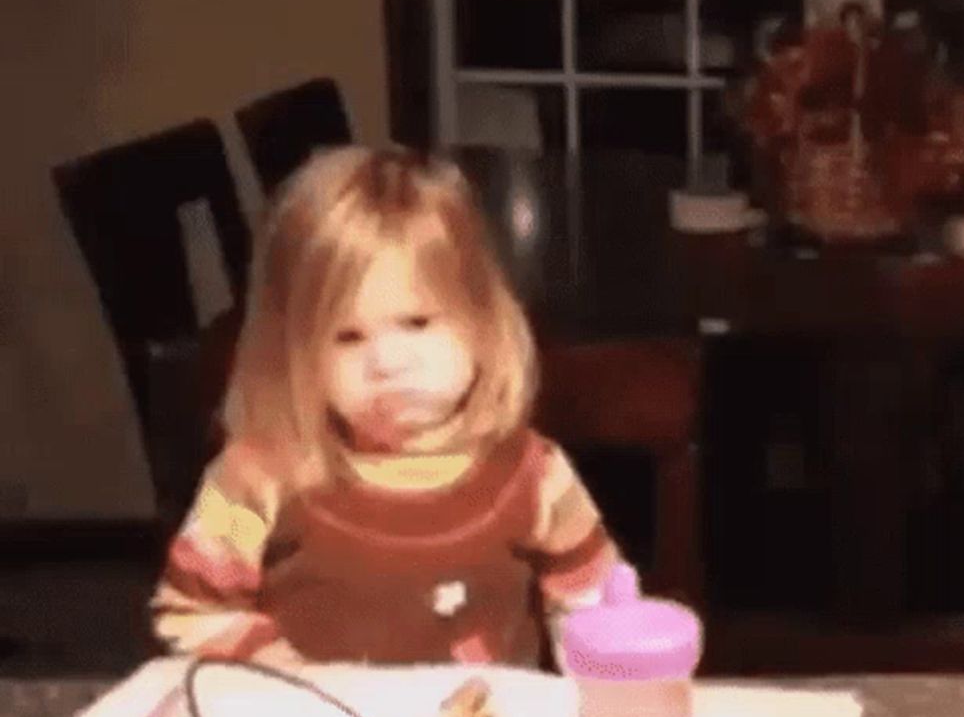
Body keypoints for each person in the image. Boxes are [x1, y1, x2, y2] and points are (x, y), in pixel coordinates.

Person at [149, 146, 622, 670]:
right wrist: (287, 678)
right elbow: (189, 615)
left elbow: (598, 609)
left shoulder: (535, 475)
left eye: (417, 322)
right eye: (348, 338)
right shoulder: (255, 476)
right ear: (291, 355)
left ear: (486, 322)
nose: (388, 363)